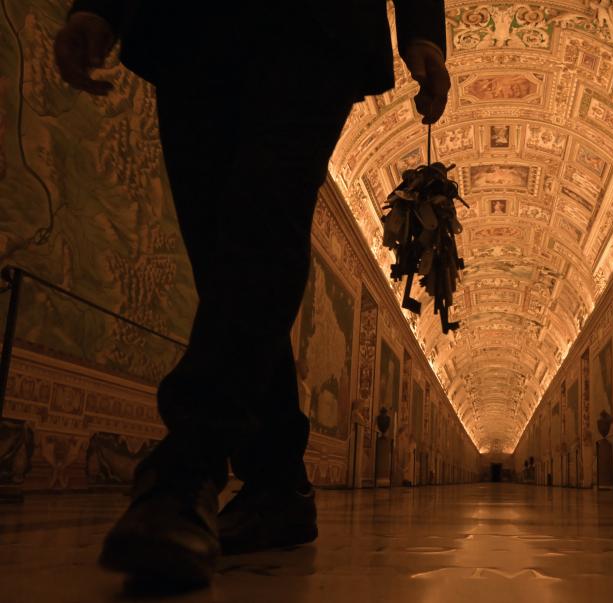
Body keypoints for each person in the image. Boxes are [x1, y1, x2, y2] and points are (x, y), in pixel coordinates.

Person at [53, 0, 450, 588]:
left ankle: (186, 471)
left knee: (264, 218)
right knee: (217, 250)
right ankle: (276, 485)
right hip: (188, 26)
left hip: (313, 31)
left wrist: (423, 30)